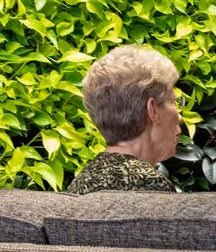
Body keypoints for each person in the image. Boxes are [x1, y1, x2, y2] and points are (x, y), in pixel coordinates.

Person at [67, 45, 184, 194]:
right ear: (152, 110)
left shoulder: (81, 182)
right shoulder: (150, 185)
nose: (180, 117)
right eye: (174, 102)